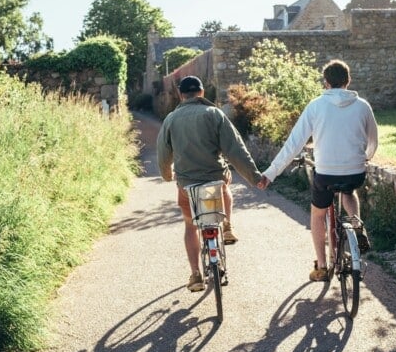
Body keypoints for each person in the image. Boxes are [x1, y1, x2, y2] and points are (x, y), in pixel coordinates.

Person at [258, 59, 378, 281]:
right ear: (348, 81)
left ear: (326, 83)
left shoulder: (315, 106)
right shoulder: (363, 106)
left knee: (318, 213)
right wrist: (365, 158)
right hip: (355, 171)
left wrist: (270, 173)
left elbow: (294, 144)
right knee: (349, 192)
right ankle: (356, 225)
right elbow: (372, 141)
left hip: (326, 173)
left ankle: (322, 267)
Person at [157, 75, 263, 292]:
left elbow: (163, 154)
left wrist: (168, 175)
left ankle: (196, 275)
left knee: (190, 226)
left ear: (180, 94)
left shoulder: (171, 119)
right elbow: (235, 149)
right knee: (225, 181)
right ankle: (226, 226)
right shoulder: (214, 114)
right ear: (202, 93)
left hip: (187, 185)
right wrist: (254, 177)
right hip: (215, 180)